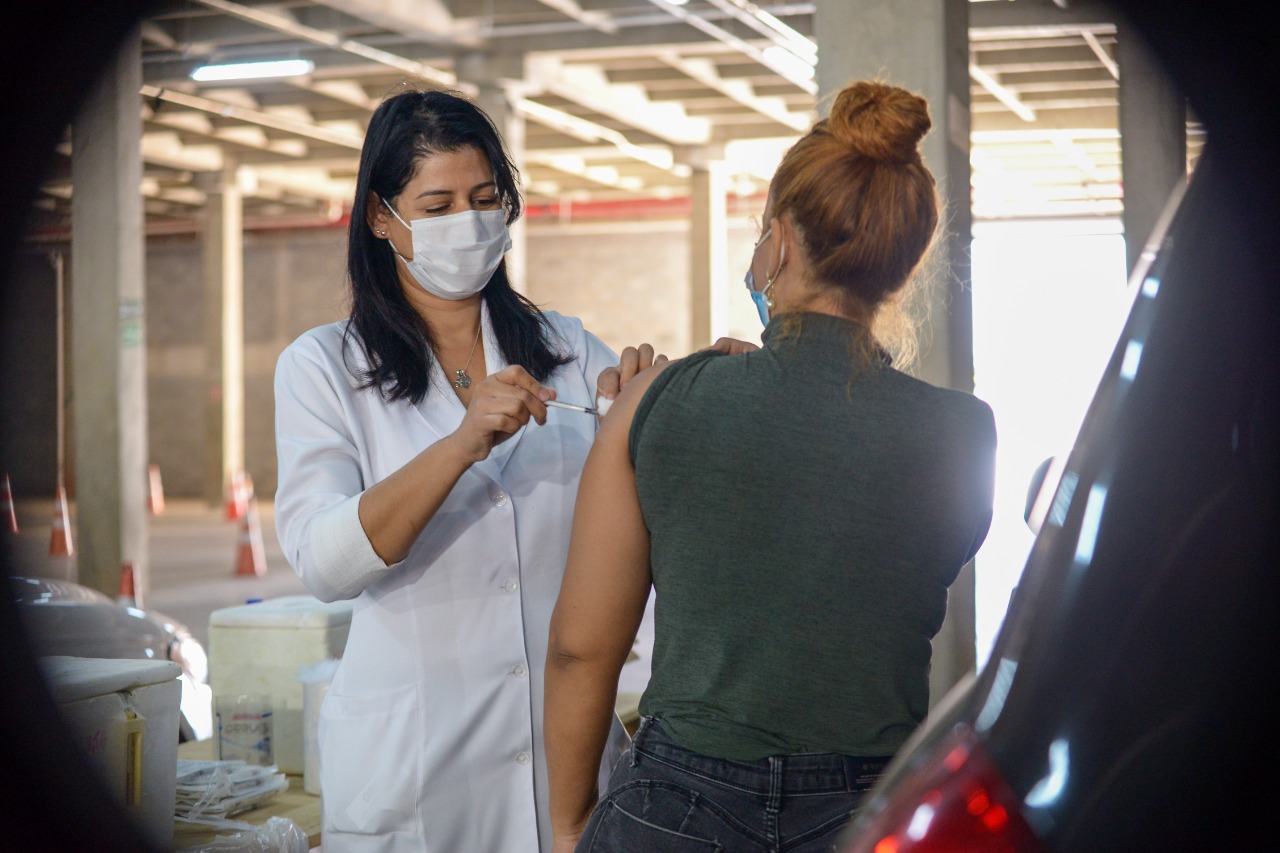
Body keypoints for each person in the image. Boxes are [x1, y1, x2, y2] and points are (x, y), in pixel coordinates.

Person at [544, 80, 998, 853]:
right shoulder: (966, 433)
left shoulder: (661, 401)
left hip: (671, 809)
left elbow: (580, 649)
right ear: (901, 266)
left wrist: (569, 825)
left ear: (780, 242)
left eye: (761, 233)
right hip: (867, 809)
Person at [274, 89, 651, 853]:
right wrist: (458, 445)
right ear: (381, 217)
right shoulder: (322, 367)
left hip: (561, 759)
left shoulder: (567, 350)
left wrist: (652, 401)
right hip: (414, 771)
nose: (468, 223)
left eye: (484, 200)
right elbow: (324, 562)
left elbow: (655, 495)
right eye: (438, 205)